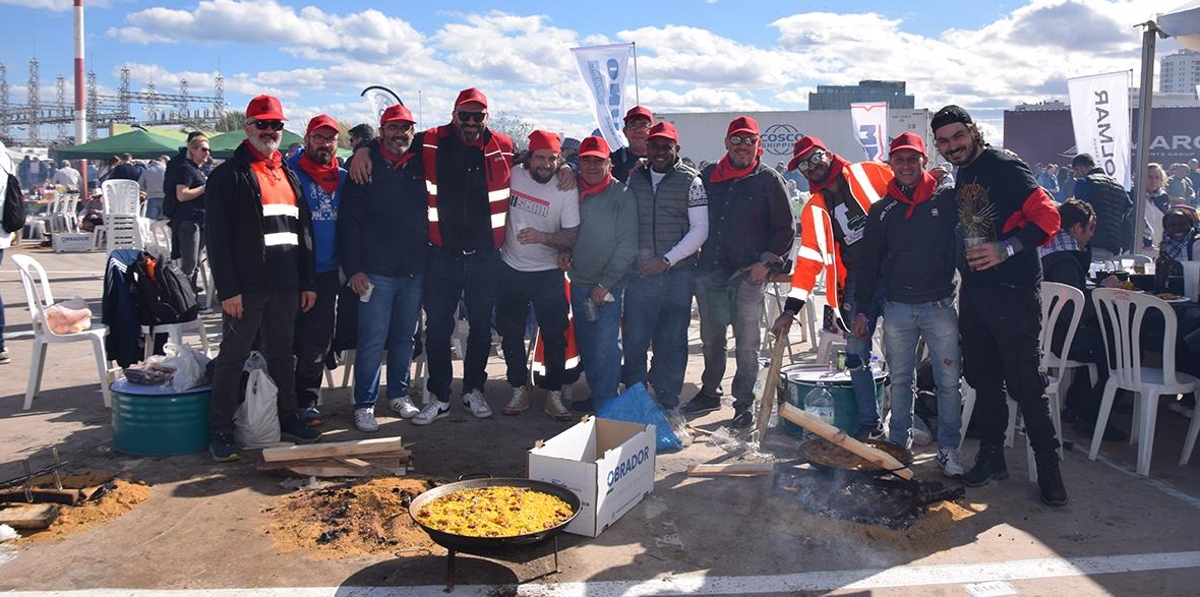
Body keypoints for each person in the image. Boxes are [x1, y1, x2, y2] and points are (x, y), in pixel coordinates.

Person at [931, 104, 1066, 506]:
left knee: (1026, 384)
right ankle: (993, 456)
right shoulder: (964, 172)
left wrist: (1006, 249)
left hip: (1014, 291)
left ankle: (1049, 469)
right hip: (976, 292)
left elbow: (1049, 218)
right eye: (944, 141)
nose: (952, 145)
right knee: (983, 379)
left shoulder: (1004, 164)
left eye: (958, 136)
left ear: (973, 132)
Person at [204, 94, 320, 461]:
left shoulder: (287, 173)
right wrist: (228, 290)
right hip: (247, 287)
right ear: (248, 127)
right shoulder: (228, 175)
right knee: (233, 356)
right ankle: (220, 429)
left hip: (286, 284)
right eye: (263, 124)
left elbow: (302, 233)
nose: (270, 131)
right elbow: (216, 238)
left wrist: (307, 282)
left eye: (276, 125)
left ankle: (288, 418)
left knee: (283, 355)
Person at [852, 132, 964, 476]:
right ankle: (898, 448)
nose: (905, 166)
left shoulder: (946, 203)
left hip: (939, 306)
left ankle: (947, 450)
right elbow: (868, 265)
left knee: (948, 382)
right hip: (898, 308)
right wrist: (861, 310)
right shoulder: (882, 210)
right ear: (890, 165)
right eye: (899, 160)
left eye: (911, 159)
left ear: (923, 162)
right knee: (900, 381)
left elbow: (969, 242)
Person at [770, 135, 893, 439]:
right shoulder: (815, 207)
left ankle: (902, 425)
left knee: (902, 355)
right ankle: (870, 425)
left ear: (827, 153)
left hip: (895, 274)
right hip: (855, 282)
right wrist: (790, 309)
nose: (812, 167)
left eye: (815, 158)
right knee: (855, 355)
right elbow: (809, 261)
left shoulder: (870, 172)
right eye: (803, 165)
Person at [683, 116, 793, 428]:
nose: (743, 146)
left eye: (750, 141)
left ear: (758, 145)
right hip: (711, 273)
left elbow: (786, 229)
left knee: (747, 343)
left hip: (749, 275)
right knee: (712, 338)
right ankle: (709, 390)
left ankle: (743, 403)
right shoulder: (707, 176)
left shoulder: (769, 180)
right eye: (738, 139)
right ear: (727, 142)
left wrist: (766, 263)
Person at [339, 105, 428, 432]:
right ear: (381, 131)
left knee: (405, 338)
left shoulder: (419, 161)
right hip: (375, 272)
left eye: (405, 128)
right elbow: (349, 222)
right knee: (372, 340)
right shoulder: (364, 166)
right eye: (392, 128)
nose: (399, 134)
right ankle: (364, 403)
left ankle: (399, 394)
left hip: (413, 270)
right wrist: (354, 269)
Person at [622, 121, 708, 416]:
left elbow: (699, 231)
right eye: (655, 145)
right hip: (640, 275)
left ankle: (668, 402)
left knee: (671, 342)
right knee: (634, 342)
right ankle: (635, 400)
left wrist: (666, 260)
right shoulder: (635, 179)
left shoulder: (692, 181)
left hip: (677, 275)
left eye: (666, 146)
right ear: (646, 148)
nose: (660, 151)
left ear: (677, 149)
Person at [497, 131, 580, 421]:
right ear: (529, 158)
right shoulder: (514, 174)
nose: (546, 164)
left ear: (560, 160)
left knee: (555, 336)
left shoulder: (566, 187)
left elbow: (571, 234)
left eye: (553, 159)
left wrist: (543, 236)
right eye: (540, 157)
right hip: (511, 267)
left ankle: (554, 394)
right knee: (511, 333)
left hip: (548, 273)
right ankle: (518, 388)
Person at [559, 136, 638, 412]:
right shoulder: (571, 191)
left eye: (598, 160)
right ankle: (599, 396)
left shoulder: (622, 196)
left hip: (609, 286)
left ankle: (606, 404)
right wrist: (565, 252)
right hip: (580, 282)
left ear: (609, 164)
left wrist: (606, 284)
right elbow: (568, 231)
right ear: (579, 162)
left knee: (607, 347)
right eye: (587, 159)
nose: (592, 165)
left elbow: (628, 245)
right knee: (589, 346)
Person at [1039, 199, 1126, 442]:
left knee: (1104, 342)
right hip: (1058, 339)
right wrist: (1102, 291)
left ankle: (1076, 407)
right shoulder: (1065, 260)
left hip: (1043, 334)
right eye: (1091, 228)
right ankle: (1092, 416)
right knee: (1119, 351)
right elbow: (1073, 310)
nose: (1092, 234)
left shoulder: (1048, 248)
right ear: (1077, 229)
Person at [286, 114, 347, 428]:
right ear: (307, 139)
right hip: (292, 271)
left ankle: (307, 401)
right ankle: (282, 403)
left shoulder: (345, 176)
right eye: (318, 137)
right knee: (283, 340)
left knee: (318, 341)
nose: (324, 144)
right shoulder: (288, 172)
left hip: (327, 272)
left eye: (330, 139)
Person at [1069, 152, 1130, 259]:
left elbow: (1078, 211)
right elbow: (1129, 211)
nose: (1075, 175)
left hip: (1092, 240)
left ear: (1081, 168)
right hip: (1114, 245)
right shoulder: (1119, 186)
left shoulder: (1084, 183)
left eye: (1075, 171)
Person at [174, 135, 209, 291]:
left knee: (194, 264)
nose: (207, 153)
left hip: (199, 220)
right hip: (189, 221)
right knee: (189, 264)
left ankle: (190, 298)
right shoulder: (186, 169)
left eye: (208, 149)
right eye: (203, 149)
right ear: (193, 150)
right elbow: (181, 194)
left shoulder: (196, 170)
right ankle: (180, 297)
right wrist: (204, 188)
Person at [610, 106, 652, 183]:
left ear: (652, 131)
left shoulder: (660, 160)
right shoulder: (613, 160)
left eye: (643, 126)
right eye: (633, 125)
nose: (638, 130)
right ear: (625, 131)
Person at [138, 156, 167, 220]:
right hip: (166, 198)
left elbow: (139, 185)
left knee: (150, 222)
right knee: (165, 223)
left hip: (152, 197)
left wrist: (147, 189)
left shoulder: (147, 170)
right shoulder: (166, 170)